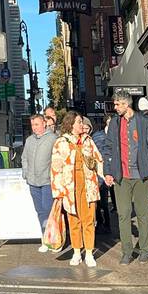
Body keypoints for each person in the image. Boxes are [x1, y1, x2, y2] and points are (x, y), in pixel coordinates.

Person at [101, 89, 148, 264]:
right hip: (122, 176)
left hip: (141, 175)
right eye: (115, 104)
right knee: (124, 214)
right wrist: (108, 171)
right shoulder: (114, 124)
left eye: (118, 104)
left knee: (143, 214)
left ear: (126, 104)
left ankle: (144, 250)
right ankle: (127, 251)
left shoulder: (144, 122)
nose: (115, 107)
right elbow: (108, 148)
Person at [51, 112, 103, 267]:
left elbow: (99, 160)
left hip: (88, 185)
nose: (83, 125)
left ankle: (88, 252)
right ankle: (76, 252)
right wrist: (58, 192)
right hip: (70, 187)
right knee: (73, 220)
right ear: (71, 124)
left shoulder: (88, 141)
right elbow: (55, 168)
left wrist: (105, 177)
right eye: (79, 122)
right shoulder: (61, 142)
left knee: (88, 220)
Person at [21, 113, 57, 251]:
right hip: (33, 181)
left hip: (47, 181)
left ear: (44, 123)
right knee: (40, 211)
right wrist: (26, 173)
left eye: (36, 124)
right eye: (32, 125)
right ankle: (45, 239)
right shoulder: (29, 140)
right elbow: (24, 157)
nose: (34, 128)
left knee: (48, 210)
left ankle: (53, 239)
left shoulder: (53, 139)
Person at [92, 116, 113, 232]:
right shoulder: (97, 137)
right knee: (101, 201)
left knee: (104, 201)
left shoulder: (115, 135)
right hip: (100, 172)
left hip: (111, 171)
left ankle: (107, 223)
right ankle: (101, 223)